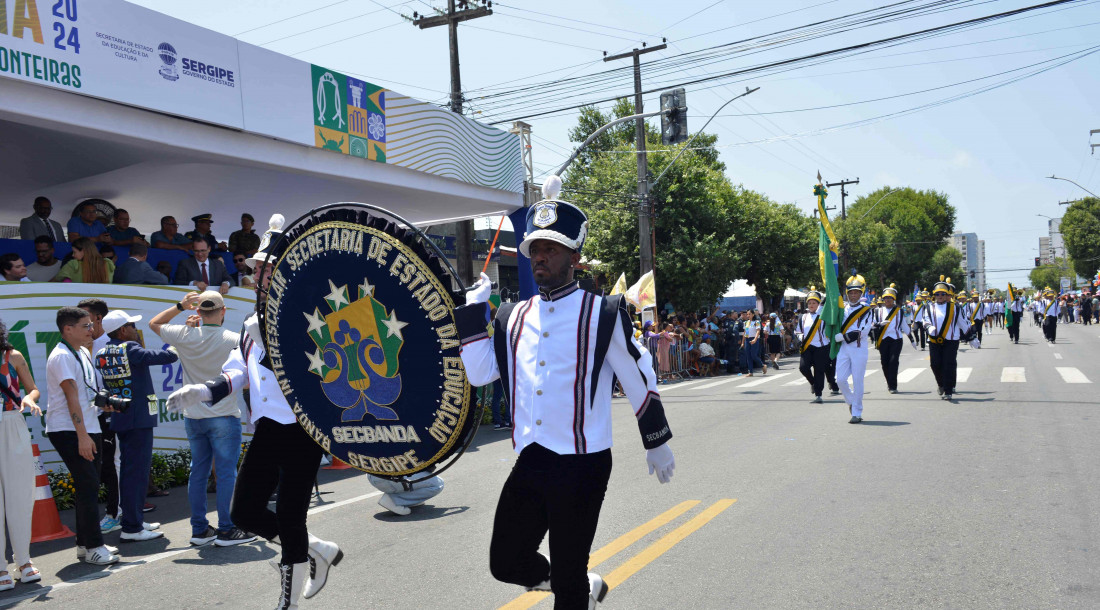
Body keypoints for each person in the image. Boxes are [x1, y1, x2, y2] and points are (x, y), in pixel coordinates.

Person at [454, 182, 675, 609]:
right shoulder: (511, 316)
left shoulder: (603, 313)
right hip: (533, 457)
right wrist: (470, 313)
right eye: (535, 247)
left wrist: (657, 441)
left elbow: (638, 373)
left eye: (551, 248)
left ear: (574, 256)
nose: (540, 256)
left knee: (569, 581)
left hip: (584, 463)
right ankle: (574, 585)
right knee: (505, 561)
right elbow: (481, 374)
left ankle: (574, 588)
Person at [167, 214, 342, 608]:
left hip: (302, 428)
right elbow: (238, 371)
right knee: (243, 512)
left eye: (265, 266)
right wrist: (203, 389)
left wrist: (280, 341)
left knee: (292, 515)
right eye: (256, 267)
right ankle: (317, 549)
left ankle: (290, 602)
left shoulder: (311, 316)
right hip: (267, 429)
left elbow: (323, 369)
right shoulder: (250, 322)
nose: (257, 272)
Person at [149, 291, 256, 547]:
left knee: (198, 472)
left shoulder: (184, 335)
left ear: (198, 312)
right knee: (226, 474)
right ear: (223, 311)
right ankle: (227, 529)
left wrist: (178, 306)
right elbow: (247, 379)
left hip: (193, 416)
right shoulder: (233, 339)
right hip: (223, 414)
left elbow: (154, 323)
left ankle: (199, 530)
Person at [94, 311, 179, 542]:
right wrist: (176, 340)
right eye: (132, 326)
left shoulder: (102, 351)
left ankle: (135, 520)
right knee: (135, 473)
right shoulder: (130, 349)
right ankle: (132, 527)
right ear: (122, 330)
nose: (135, 330)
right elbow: (168, 357)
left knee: (133, 472)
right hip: (138, 419)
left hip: (123, 417)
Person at [45, 307, 120, 565]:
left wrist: (105, 405)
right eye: (86, 326)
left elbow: (87, 394)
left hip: (89, 427)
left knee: (89, 486)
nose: (92, 329)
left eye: (91, 324)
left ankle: (83, 544)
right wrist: (82, 437)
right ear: (68, 329)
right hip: (69, 430)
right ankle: (94, 546)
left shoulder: (82, 352)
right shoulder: (61, 356)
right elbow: (71, 398)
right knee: (88, 486)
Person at [0, 319, 43, 588]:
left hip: (11, 422)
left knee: (20, 496)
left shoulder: (12, 356)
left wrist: (29, 399)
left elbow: (33, 389)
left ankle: (24, 561)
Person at [920, 277, 976, 401]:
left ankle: (948, 391)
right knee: (934, 364)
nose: (940, 296)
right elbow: (925, 320)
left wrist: (971, 337)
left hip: (951, 340)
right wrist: (929, 328)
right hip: (934, 341)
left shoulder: (955, 307)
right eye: (937, 294)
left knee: (948, 365)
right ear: (934, 295)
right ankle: (940, 384)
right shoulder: (928, 307)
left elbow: (963, 323)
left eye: (943, 294)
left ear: (947, 295)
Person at [835, 275, 874, 423]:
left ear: (861, 293)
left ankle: (856, 412)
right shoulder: (842, 309)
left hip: (858, 348)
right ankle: (851, 402)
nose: (853, 295)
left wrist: (844, 337)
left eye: (856, 292)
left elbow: (863, 331)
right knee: (840, 380)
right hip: (844, 348)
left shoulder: (867, 310)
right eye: (850, 293)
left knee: (857, 381)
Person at [872, 284, 910, 394]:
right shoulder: (877, 311)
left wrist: (912, 340)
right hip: (882, 339)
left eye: (890, 298)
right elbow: (872, 324)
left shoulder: (899, 311)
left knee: (893, 361)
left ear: (893, 299)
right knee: (884, 362)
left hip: (896, 339)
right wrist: (879, 324)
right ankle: (889, 382)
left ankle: (893, 385)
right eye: (886, 298)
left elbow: (904, 326)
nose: (887, 300)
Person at [796, 288, 831, 404]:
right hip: (807, 347)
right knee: (803, 367)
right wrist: (801, 337)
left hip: (821, 347)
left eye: (814, 302)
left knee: (819, 370)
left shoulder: (823, 316)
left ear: (818, 304)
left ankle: (818, 394)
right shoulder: (803, 317)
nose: (811, 305)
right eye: (810, 303)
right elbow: (798, 331)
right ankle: (813, 383)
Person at [368, 472, 445, 516]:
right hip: (391, 478)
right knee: (437, 484)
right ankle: (394, 499)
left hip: (372, 476)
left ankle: (407, 500)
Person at [741, 310, 764, 376]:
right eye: (747, 314)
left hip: (754, 339)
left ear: (753, 314)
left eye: (749, 314)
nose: (748, 315)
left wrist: (755, 339)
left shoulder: (756, 322)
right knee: (748, 356)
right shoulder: (746, 322)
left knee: (753, 355)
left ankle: (762, 365)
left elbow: (758, 331)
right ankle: (750, 371)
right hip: (747, 340)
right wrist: (743, 342)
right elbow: (744, 333)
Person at [721, 311, 743, 375]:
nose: (737, 314)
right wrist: (727, 339)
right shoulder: (731, 322)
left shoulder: (728, 321)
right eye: (735, 313)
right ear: (731, 315)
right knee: (731, 355)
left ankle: (731, 367)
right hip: (731, 340)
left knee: (731, 354)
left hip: (730, 340)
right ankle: (731, 368)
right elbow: (730, 331)